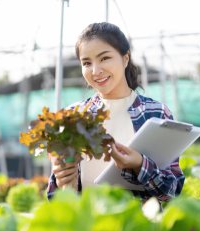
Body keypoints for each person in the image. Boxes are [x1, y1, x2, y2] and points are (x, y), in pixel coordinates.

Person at [47, 22, 185, 204]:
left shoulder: (156, 113)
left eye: (104, 58)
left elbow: (173, 191)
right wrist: (63, 181)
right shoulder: (73, 116)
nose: (95, 71)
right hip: (88, 227)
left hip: (138, 227)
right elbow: (54, 198)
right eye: (87, 63)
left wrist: (139, 164)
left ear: (125, 58)